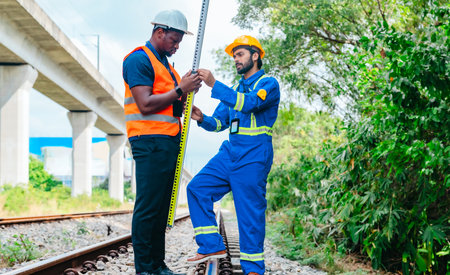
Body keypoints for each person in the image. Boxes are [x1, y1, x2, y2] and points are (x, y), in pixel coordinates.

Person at [186, 35, 280, 275]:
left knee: (249, 214)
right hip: (230, 154)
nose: (236, 60)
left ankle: (253, 270)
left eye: (240, 54)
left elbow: (248, 104)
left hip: (254, 155)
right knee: (197, 188)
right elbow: (219, 123)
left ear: (255, 56)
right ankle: (211, 246)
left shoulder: (268, 84)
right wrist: (202, 118)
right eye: (234, 56)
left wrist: (214, 85)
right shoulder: (235, 88)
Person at [122, 9, 201, 275]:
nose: (177, 46)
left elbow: (173, 108)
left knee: (160, 209)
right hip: (149, 141)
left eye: (179, 42)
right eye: (174, 40)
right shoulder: (138, 60)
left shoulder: (167, 66)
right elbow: (144, 104)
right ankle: (145, 269)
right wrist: (181, 89)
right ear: (159, 33)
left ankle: (157, 265)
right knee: (148, 208)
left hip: (167, 142)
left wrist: (186, 92)